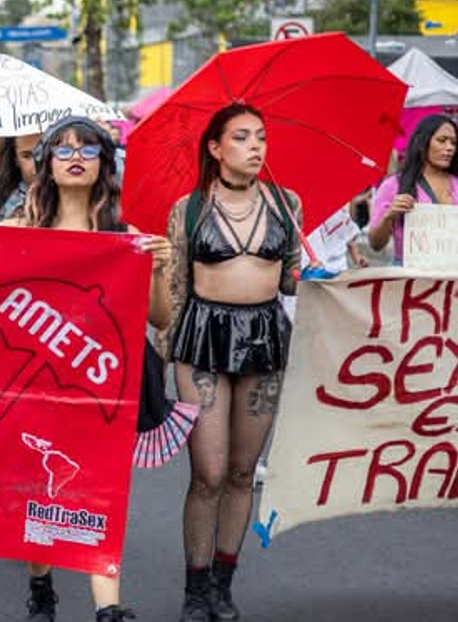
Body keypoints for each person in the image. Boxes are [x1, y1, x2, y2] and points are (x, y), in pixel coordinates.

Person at [0, 116, 170, 622]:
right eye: (65, 149)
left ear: (104, 165)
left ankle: (108, 606)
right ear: (47, 164)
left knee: (102, 488)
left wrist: (158, 269)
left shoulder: (127, 236)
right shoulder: (18, 230)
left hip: (105, 384)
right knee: (41, 492)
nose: (77, 157)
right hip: (41, 384)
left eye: (89, 149)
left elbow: (160, 317)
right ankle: (41, 585)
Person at [164, 103, 302, 622]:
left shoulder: (288, 204)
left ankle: (223, 583)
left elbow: (291, 280)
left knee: (243, 472)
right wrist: (162, 353)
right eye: (242, 137)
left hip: (264, 340)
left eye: (261, 137)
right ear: (216, 148)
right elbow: (175, 288)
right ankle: (194, 589)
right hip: (202, 341)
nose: (256, 146)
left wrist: (314, 270)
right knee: (209, 473)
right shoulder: (190, 208)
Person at [369, 113, 458, 264]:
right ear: (422, 143)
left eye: (454, 143)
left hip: (450, 279)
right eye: (442, 141)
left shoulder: (456, 183)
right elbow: (375, 244)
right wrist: (389, 216)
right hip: (408, 279)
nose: (449, 148)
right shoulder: (393, 185)